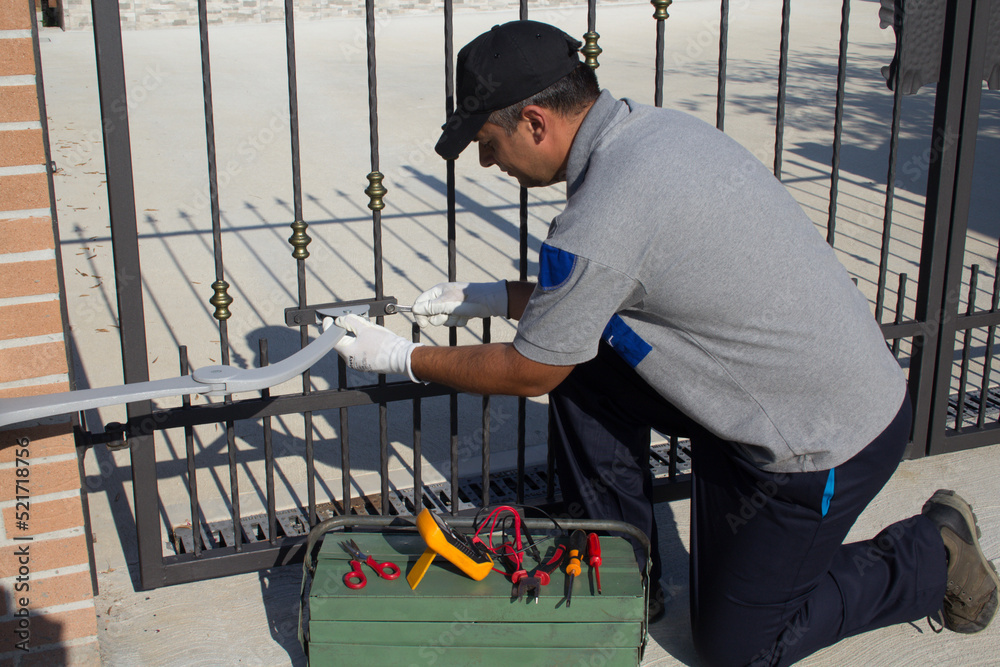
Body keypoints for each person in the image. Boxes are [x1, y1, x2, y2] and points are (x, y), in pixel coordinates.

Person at [331, 20, 999, 665]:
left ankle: (931, 552)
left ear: (534, 122)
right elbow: (605, 298)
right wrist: (495, 295)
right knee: (584, 368)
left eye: (486, 140)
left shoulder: (602, 216)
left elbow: (530, 369)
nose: (486, 159)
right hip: (764, 397)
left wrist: (401, 356)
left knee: (738, 646)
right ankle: (625, 571)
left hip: (819, 442)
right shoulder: (651, 133)